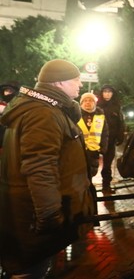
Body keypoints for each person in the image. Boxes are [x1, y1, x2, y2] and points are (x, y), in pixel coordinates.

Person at [0, 59, 96, 278]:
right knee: (30, 271)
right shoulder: (43, 114)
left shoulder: (44, 109)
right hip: (33, 219)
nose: (80, 85)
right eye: (76, 80)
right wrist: (50, 216)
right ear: (59, 83)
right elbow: (40, 168)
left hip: (31, 214)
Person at [97, 84, 125, 193]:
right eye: (105, 91)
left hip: (111, 140)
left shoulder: (116, 106)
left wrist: (120, 136)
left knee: (107, 164)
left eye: (109, 92)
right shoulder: (97, 106)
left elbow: (120, 122)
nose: (107, 94)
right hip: (97, 140)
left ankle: (106, 184)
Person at [77, 92, 109, 179]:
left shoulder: (100, 117)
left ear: (94, 103)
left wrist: (103, 149)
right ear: (81, 103)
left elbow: (105, 134)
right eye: (85, 101)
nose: (87, 102)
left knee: (91, 174)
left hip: (94, 151)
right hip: (78, 150)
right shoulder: (75, 115)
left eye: (90, 100)